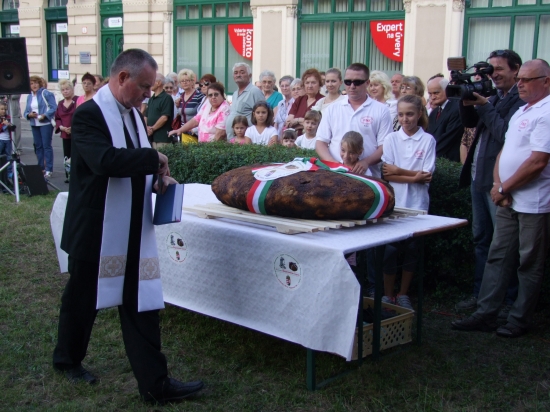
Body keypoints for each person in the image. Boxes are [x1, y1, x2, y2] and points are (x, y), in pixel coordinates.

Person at [53, 48, 204, 403]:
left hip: (134, 227)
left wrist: (156, 181)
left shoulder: (134, 114)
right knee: (82, 301)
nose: (148, 95)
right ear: (122, 78)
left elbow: (132, 165)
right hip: (95, 228)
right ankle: (67, 359)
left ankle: (155, 384)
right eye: (145, 86)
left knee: (141, 305)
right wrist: (153, 157)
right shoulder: (89, 114)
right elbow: (105, 162)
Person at [451, 59, 550, 338]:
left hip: (534, 203)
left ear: (546, 81)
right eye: (520, 79)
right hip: (507, 197)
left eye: (527, 80)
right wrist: (498, 185)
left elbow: (538, 161)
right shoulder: (522, 111)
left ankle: (519, 319)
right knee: (497, 256)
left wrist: (505, 188)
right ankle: (486, 313)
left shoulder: (547, 112)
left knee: (528, 262)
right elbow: (504, 151)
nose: (521, 84)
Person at [455, 49, 524, 314]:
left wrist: (484, 105)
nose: (493, 75)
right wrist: (464, 95)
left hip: (500, 182)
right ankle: (480, 295)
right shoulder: (494, 95)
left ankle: (507, 301)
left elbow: (505, 134)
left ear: (516, 70)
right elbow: (470, 122)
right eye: (490, 69)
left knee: (503, 246)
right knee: (482, 239)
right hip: (478, 177)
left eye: (499, 69)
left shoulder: (521, 100)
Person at [380, 94, 436, 310]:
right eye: (401, 115)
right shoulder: (391, 139)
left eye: (410, 114)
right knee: (390, 252)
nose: (405, 119)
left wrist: (399, 171)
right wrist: (414, 177)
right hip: (395, 205)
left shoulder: (428, 140)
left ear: (419, 114)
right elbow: (388, 175)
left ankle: (403, 294)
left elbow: (427, 176)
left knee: (412, 252)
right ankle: (387, 295)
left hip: (418, 206)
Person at [316, 62, 393, 178]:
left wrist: (366, 162)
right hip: (336, 175)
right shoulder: (332, 109)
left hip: (368, 177)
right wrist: (334, 164)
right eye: (348, 82)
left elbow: (385, 146)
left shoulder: (381, 110)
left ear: (367, 83)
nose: (352, 86)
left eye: (357, 82)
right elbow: (321, 142)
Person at [24, 75, 57, 177]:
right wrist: (29, 115)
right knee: (38, 146)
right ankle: (41, 167)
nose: (34, 85)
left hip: (45, 123)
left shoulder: (46, 93)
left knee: (46, 146)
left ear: (40, 84)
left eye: (36, 83)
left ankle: (49, 169)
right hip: (34, 124)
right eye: (31, 83)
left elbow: (54, 107)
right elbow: (26, 112)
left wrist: (44, 115)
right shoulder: (29, 96)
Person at [427, 74, 464, 162]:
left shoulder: (456, 108)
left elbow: (448, 138)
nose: (433, 97)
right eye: (430, 94)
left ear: (446, 90)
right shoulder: (435, 111)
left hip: (448, 161)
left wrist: (428, 154)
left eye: (436, 93)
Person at [225, 62, 265, 139]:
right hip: (233, 140)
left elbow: (263, 114)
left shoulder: (255, 91)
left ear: (250, 76)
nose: (238, 75)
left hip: (247, 140)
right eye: (236, 73)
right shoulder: (235, 93)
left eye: (242, 72)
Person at [285, 68, 324, 135]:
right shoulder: (299, 100)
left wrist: (297, 120)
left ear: (319, 84)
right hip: (296, 138)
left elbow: (320, 124)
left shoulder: (323, 100)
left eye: (313, 83)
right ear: (304, 85)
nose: (310, 86)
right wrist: (305, 124)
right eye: (307, 83)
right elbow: (288, 123)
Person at [54, 80, 78, 183]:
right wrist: (61, 127)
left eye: (67, 89)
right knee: (67, 156)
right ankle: (68, 175)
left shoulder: (78, 100)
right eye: (63, 90)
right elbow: (57, 118)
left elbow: (80, 115)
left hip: (76, 133)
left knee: (77, 155)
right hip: (65, 133)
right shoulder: (60, 104)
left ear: (72, 89)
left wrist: (73, 128)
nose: (65, 91)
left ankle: (77, 175)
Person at [145, 73, 174, 149]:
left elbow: (164, 118)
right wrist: (146, 128)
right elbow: (146, 116)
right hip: (151, 138)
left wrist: (152, 129)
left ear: (159, 83)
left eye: (152, 81)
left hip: (162, 139)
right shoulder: (151, 99)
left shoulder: (167, 98)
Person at [0, 102, 16, 179]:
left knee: (8, 157)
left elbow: (13, 129)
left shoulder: (8, 117)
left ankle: (9, 173)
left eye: (5, 109)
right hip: (1, 140)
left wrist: (9, 125)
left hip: (8, 140)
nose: (3, 111)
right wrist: (4, 125)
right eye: (2, 109)